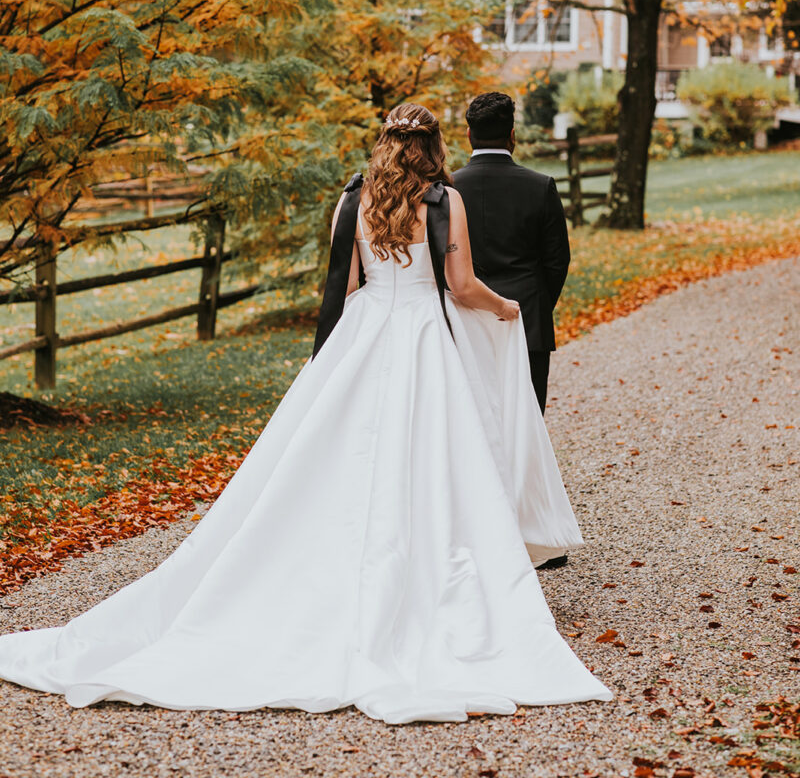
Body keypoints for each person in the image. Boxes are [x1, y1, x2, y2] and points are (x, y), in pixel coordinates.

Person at [0, 103, 610, 725]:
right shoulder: (443, 200)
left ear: (383, 144)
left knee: (338, 455)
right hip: (426, 334)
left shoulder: (353, 201)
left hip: (367, 330)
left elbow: (341, 288)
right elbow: (460, 287)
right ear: (433, 145)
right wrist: (508, 308)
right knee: (434, 454)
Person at [453, 92, 570, 418]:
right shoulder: (540, 186)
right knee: (527, 424)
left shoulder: (447, 190)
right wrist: (536, 302)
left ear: (468, 135)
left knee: (473, 424)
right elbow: (557, 261)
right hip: (528, 322)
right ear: (512, 135)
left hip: (465, 320)